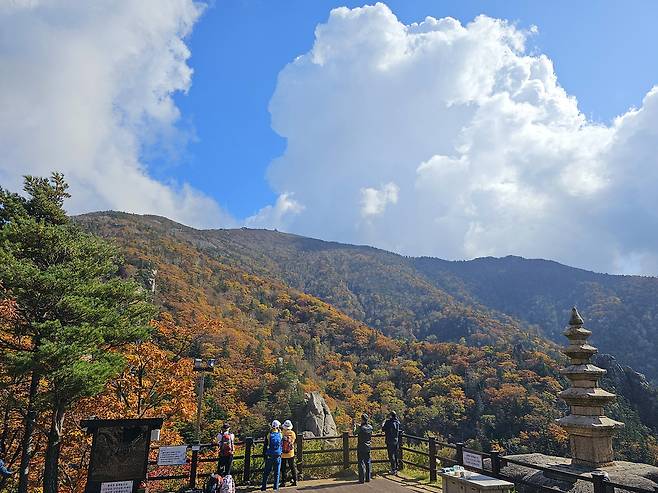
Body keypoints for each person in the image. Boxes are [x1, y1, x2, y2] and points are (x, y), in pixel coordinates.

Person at [261, 420, 283, 491]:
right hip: (278, 455)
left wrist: (264, 455)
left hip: (270, 455)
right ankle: (275, 488)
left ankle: (263, 487)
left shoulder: (269, 435)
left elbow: (265, 445)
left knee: (266, 472)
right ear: (278, 426)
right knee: (277, 473)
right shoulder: (280, 434)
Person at [356, 413, 373, 484]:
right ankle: (368, 478)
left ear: (362, 419)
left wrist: (356, 427)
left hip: (361, 447)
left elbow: (355, 433)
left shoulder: (360, 428)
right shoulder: (370, 427)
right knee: (368, 462)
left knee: (361, 463)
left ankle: (361, 479)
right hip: (368, 446)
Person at [280, 420, 297, 487]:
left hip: (283, 453)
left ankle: (283, 482)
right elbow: (293, 442)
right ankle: (295, 480)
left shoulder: (282, 433)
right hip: (290, 453)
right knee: (292, 467)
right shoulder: (292, 433)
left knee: (283, 468)